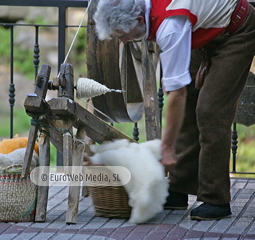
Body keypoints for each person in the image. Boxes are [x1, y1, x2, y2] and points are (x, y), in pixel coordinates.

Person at [93, 0, 255, 220]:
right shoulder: (153, 14)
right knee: (189, 106)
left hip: (236, 30)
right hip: (201, 29)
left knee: (210, 111)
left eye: (121, 34)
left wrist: (167, 148)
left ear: (139, 20)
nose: (122, 41)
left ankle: (215, 199)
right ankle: (178, 188)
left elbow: (176, 95)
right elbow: (181, 94)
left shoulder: (170, 25)